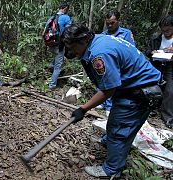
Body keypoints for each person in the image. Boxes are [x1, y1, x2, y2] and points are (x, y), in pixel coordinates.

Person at [61, 23, 161, 178]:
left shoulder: (99, 54)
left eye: (73, 47)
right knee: (116, 123)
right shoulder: (98, 40)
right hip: (132, 87)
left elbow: (109, 89)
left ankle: (111, 170)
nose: (72, 52)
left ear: (83, 40)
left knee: (119, 129)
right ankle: (112, 144)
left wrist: (83, 109)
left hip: (139, 92)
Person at [98, 10, 136, 116]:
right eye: (107, 23)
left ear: (119, 20)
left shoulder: (126, 33)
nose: (110, 25)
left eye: (112, 23)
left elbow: (132, 50)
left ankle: (110, 107)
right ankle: (103, 103)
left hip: (121, 64)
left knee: (115, 85)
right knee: (104, 83)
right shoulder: (103, 35)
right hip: (106, 64)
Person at [145, 15, 173, 128]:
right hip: (157, 65)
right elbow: (147, 50)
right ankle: (151, 110)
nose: (165, 32)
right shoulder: (156, 39)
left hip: (171, 67)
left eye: (168, 29)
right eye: (163, 29)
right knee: (153, 87)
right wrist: (152, 52)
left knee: (170, 91)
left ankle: (168, 117)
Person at [43, 2, 71, 90]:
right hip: (60, 45)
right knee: (58, 67)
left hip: (51, 44)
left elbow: (44, 32)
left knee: (56, 59)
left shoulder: (52, 18)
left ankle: (50, 67)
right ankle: (52, 86)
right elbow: (69, 32)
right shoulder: (66, 18)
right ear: (65, 8)